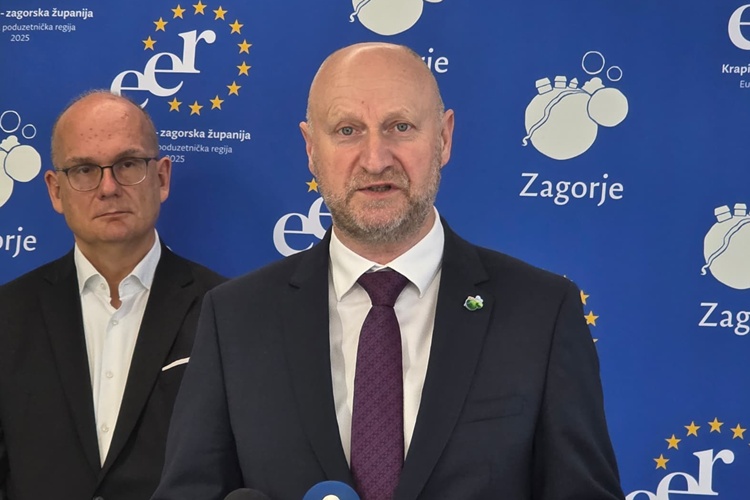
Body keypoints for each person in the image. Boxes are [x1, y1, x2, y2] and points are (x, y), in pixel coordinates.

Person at [153, 43, 625, 500]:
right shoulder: (235, 318)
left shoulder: (542, 312)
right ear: (311, 148)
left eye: (400, 127)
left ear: (443, 138)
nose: (376, 159)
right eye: (347, 130)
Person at [0, 91, 225, 500]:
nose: (108, 187)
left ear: (161, 177)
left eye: (127, 164)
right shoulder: (7, 316)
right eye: (84, 169)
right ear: (55, 190)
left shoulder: (228, 312)